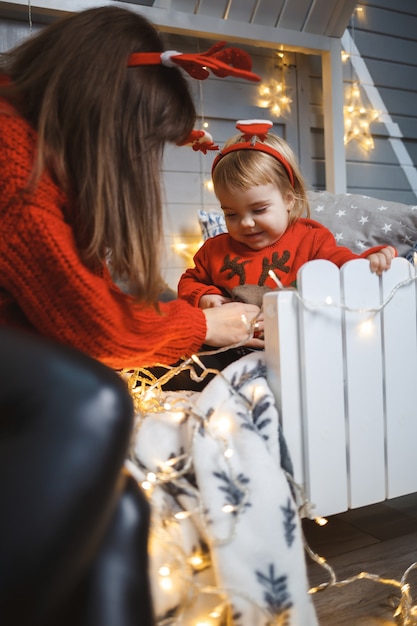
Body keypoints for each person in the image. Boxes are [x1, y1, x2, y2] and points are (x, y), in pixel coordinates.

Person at [0, 6, 264, 374]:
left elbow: (87, 291)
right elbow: (91, 326)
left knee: (153, 301)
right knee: (103, 399)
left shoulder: (45, 159)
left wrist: (192, 318)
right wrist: (202, 325)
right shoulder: (15, 172)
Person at [178, 119, 397, 312]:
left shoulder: (311, 241)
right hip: (233, 343)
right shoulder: (213, 252)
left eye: (259, 210)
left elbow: (344, 266)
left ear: (288, 199)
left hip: (298, 341)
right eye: (231, 214)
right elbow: (188, 283)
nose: (246, 223)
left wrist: (369, 260)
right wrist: (204, 296)